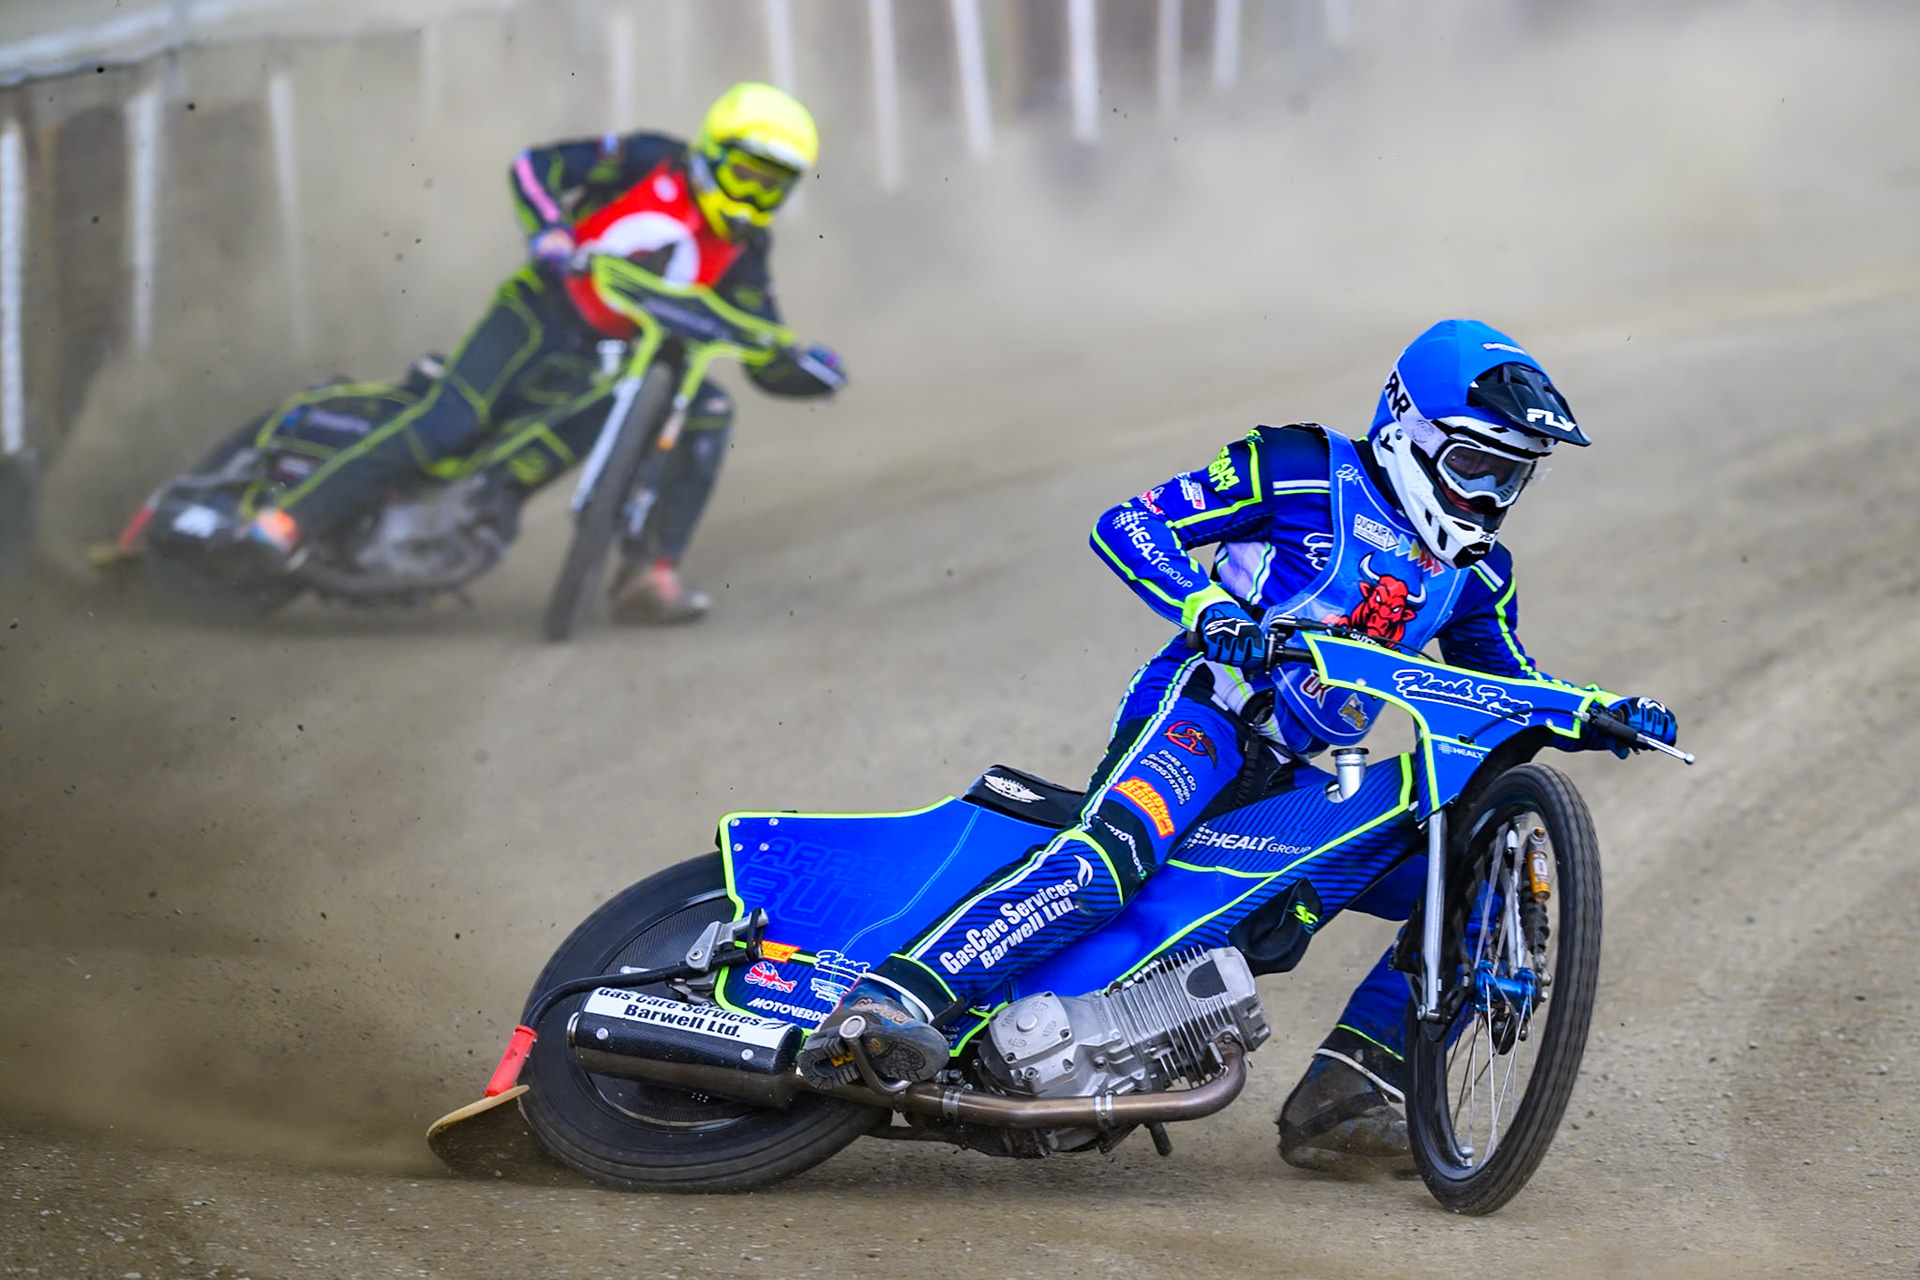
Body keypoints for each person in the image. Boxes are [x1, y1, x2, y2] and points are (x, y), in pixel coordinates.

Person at [793, 319, 1679, 1174]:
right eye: (1476, 465)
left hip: (1309, 777)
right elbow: (1131, 523)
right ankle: (890, 1004)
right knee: (1111, 857)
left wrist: (1595, 712)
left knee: (1470, 879)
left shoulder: (1481, 574)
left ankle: (1356, 1088)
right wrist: (1212, 613)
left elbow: (1502, 689)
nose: (1489, 498)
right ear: (1410, 428)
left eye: (1512, 478)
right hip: (1203, 718)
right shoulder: (1300, 468)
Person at [243, 81, 845, 623]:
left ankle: (648, 572)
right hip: (541, 313)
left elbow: (761, 342)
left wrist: (806, 371)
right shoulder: (647, 159)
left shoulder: (748, 251)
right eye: (747, 174)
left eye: (775, 186)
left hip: (617, 364)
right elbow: (537, 167)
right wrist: (550, 229)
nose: (756, 197)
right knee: (451, 422)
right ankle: (291, 518)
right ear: (711, 154)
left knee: (710, 411)